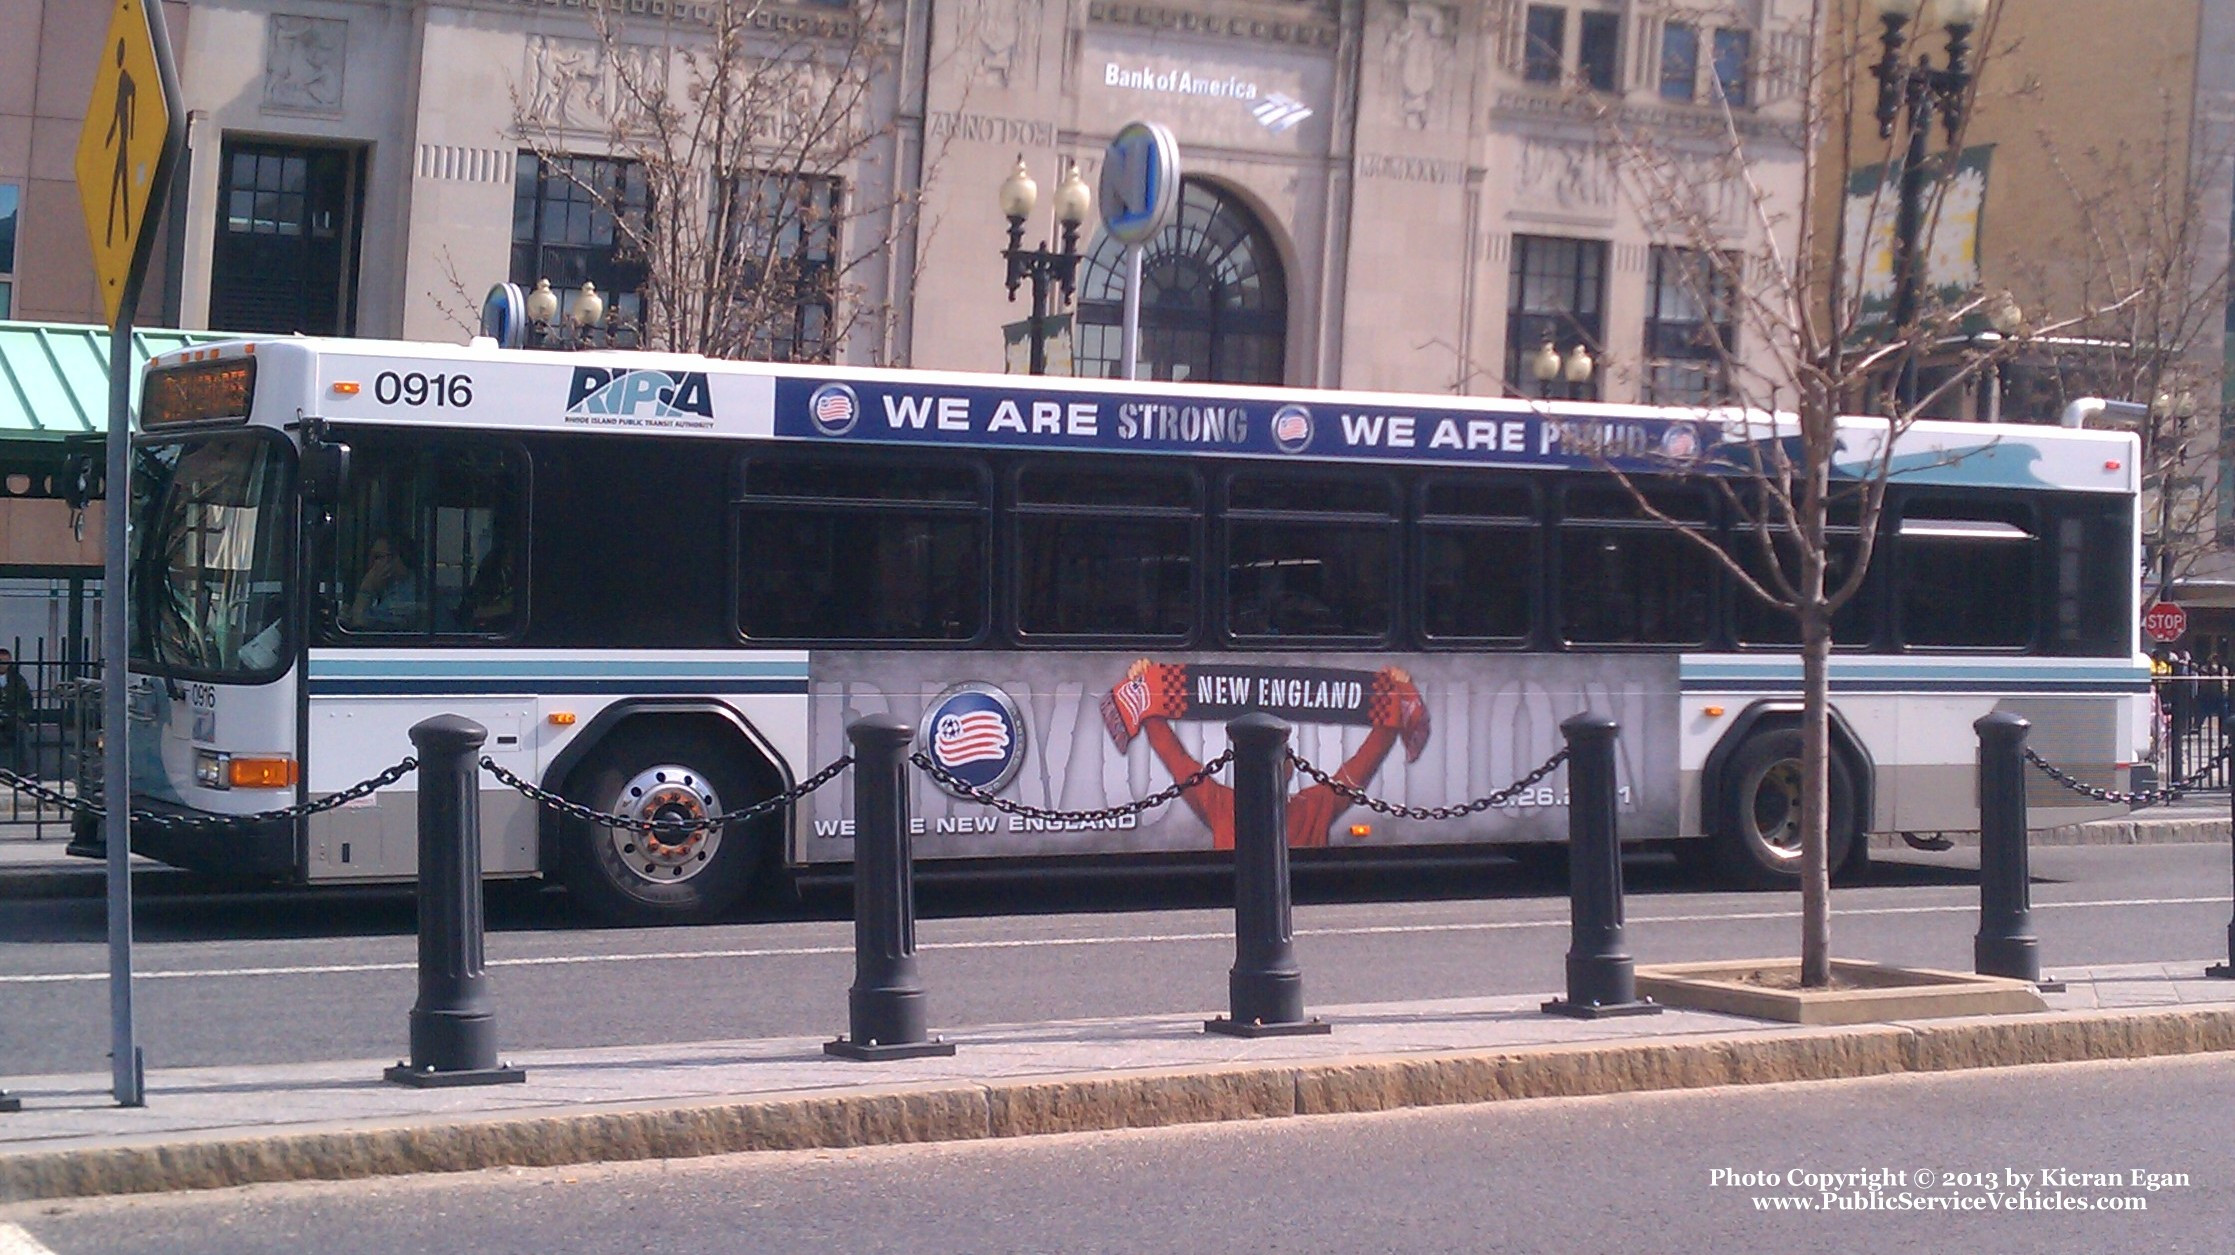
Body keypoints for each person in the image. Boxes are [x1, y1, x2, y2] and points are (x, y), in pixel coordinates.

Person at [347, 534, 424, 631]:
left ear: (396, 558)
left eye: (377, 557)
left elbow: (359, 626)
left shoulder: (407, 595)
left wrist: (366, 590)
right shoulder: (388, 587)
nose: (370, 563)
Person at [0, 649, 32, 776]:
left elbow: (26, 699)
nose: (3, 665)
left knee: (21, 735)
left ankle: (22, 772)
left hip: (12, 717)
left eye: (6, 662)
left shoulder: (17, 679)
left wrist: (20, 715)